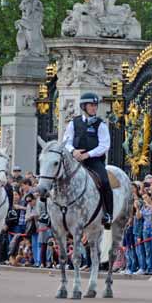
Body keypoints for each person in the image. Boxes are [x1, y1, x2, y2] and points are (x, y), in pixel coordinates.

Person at [62, 92, 113, 227]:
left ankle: (108, 214)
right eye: (91, 105)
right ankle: (50, 213)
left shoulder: (100, 125)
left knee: (105, 181)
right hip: (75, 160)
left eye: (95, 105)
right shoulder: (74, 123)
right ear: (84, 106)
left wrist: (88, 155)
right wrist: (73, 151)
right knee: (57, 178)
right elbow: (66, 141)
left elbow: (104, 145)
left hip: (93, 161)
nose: (94, 108)